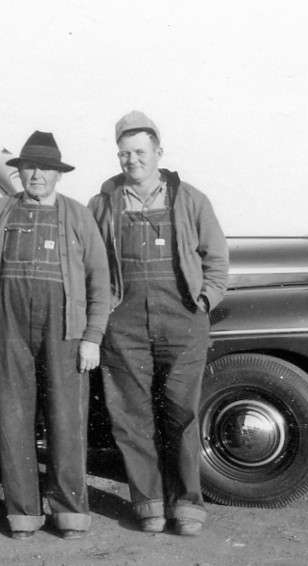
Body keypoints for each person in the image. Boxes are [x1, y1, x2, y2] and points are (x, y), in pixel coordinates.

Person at [88, 111, 229, 536]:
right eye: (124, 153)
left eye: (140, 152)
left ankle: (187, 504)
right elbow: (90, 264)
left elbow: (216, 261)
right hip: (124, 320)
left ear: (158, 153)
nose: (132, 160)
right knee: (131, 415)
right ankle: (148, 502)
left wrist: (203, 301)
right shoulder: (103, 204)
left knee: (181, 413)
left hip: (182, 317)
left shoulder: (190, 199)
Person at [0, 131, 110, 540]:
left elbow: (99, 280)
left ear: (58, 174)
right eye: (29, 167)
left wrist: (92, 336)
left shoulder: (77, 215)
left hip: (64, 331)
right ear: (18, 172)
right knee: (13, 420)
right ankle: (23, 514)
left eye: (44, 168)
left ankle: (70, 511)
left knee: (66, 420)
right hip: (11, 329)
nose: (36, 175)